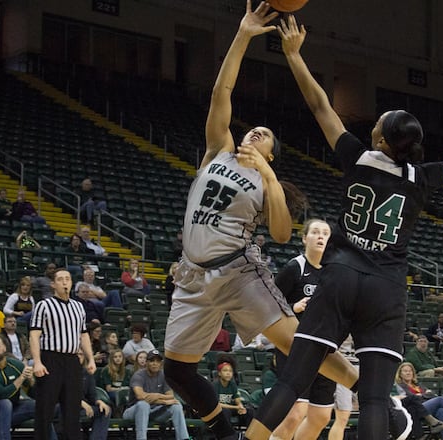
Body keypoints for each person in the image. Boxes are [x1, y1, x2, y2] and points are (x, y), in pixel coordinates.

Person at [249, 13, 443, 439]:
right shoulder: (421, 177)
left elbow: (319, 104)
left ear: (383, 139)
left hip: (339, 275)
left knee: (292, 380)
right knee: (373, 398)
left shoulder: (355, 154)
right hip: (385, 287)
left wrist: (295, 56)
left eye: (379, 122)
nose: (372, 122)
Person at [162, 5, 358, 440]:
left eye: (265, 135)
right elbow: (221, 92)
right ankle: (225, 432)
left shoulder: (268, 182)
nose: (255, 132)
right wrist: (243, 35)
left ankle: (372, 390)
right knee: (176, 370)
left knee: (298, 344)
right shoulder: (218, 150)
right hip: (192, 277)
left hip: (237, 272)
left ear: (271, 154)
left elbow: (283, 234)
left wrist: (269, 179)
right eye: (254, 129)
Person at [270, 219, 339, 440]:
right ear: (304, 238)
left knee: (320, 416)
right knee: (295, 413)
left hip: (325, 349)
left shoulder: (336, 271)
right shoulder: (294, 268)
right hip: (295, 348)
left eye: (326, 233)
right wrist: (293, 307)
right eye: (316, 232)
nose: (321, 236)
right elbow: (268, 303)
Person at [30, 268, 97, 440]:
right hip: (50, 358)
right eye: (60, 279)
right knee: (45, 409)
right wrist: (37, 362)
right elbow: (34, 334)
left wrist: (90, 359)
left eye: (67, 279)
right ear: (53, 284)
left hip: (72, 360)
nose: (65, 282)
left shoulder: (78, 306)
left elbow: (83, 335)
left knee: (72, 409)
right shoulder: (43, 305)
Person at [0, 336, 53, 440]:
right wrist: (21, 378)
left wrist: (31, 381)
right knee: (4, 403)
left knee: (39, 405)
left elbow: (33, 394)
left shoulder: (15, 364)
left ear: (4, 347)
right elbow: (3, 394)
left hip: (15, 408)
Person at [122, 349, 189, 440]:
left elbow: (170, 396)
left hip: (155, 411)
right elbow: (140, 396)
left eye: (158, 361)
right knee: (143, 404)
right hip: (133, 411)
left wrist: (156, 396)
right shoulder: (138, 375)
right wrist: (163, 401)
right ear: (146, 363)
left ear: (161, 363)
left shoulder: (163, 375)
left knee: (176, 405)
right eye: (152, 361)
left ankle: (183, 438)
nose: (155, 363)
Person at [392, 362, 443, 440]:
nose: (408, 373)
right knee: (440, 399)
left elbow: (432, 394)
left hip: (424, 406)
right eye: (405, 371)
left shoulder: (417, 385)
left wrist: (422, 395)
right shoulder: (400, 386)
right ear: (400, 374)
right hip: (415, 409)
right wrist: (423, 395)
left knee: (440, 410)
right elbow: (410, 398)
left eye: (410, 371)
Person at [76, 348, 111, 440]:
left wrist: (98, 401)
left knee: (105, 410)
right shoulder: (62, 373)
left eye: (81, 354)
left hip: (83, 409)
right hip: (65, 407)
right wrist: (81, 403)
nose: (78, 357)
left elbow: (92, 395)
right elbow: (60, 395)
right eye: (76, 354)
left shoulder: (87, 374)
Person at [214, 361, 255, 429]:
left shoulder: (232, 384)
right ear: (219, 373)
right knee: (225, 411)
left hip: (230, 408)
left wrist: (241, 407)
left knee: (249, 410)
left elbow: (237, 400)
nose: (228, 373)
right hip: (218, 410)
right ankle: (228, 435)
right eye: (225, 371)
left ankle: (249, 434)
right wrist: (236, 407)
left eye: (230, 371)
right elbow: (217, 404)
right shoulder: (215, 385)